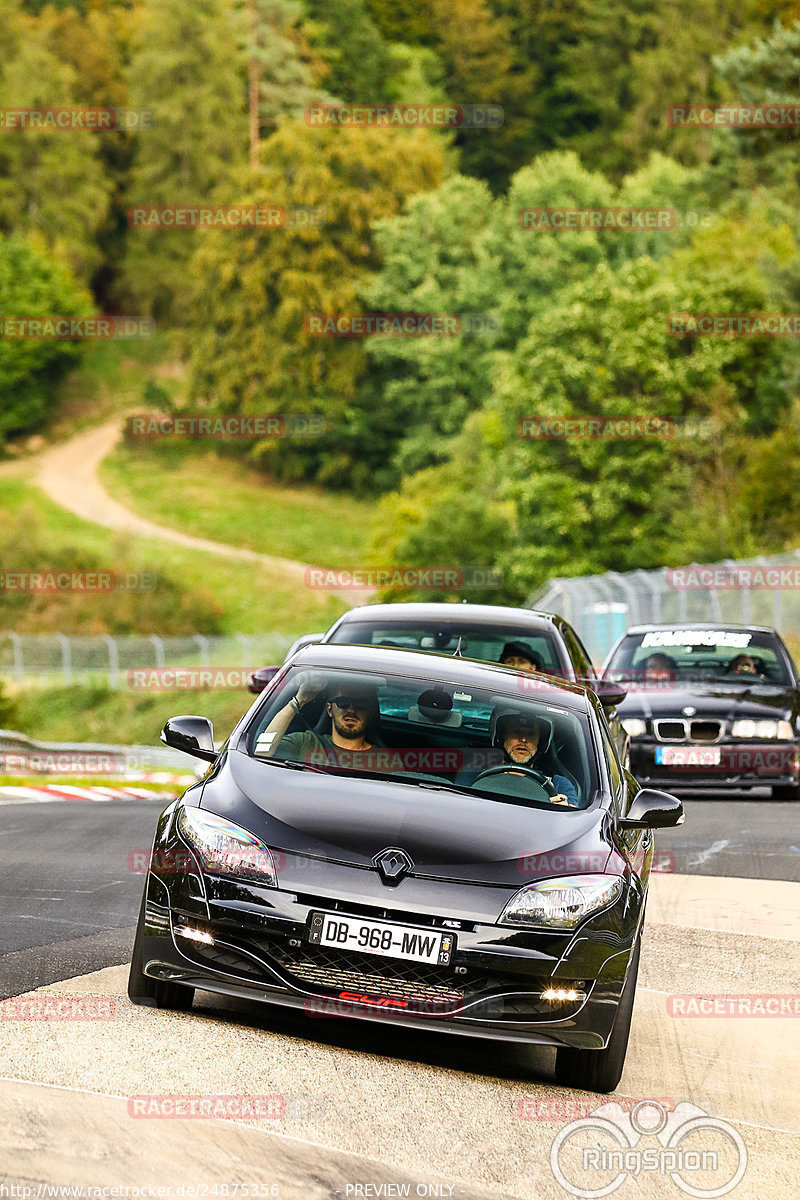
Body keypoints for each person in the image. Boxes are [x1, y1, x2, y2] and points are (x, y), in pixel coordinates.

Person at [459, 708, 579, 806]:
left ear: (541, 742)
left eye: (531, 734)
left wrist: (562, 810)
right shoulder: (473, 772)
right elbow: (458, 806)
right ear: (500, 737)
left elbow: (573, 821)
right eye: (516, 732)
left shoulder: (559, 784)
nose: (523, 740)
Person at [257, 673, 385, 763]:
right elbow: (262, 751)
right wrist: (299, 701)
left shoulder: (385, 760)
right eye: (343, 702)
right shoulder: (304, 742)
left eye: (361, 704)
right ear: (329, 709)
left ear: (370, 712)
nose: (351, 709)